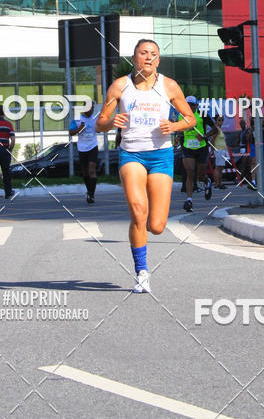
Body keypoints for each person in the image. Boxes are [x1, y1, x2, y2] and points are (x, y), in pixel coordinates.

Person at [95, 38, 195, 294]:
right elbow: (100, 123)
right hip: (132, 155)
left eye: (153, 54)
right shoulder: (121, 86)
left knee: (157, 226)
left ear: (158, 60)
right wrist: (111, 122)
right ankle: (141, 272)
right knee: (138, 212)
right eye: (143, 53)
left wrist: (174, 126)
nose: (148, 57)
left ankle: (147, 230)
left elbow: (190, 119)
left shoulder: (169, 86)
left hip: (161, 156)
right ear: (135, 58)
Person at [180, 96, 217, 212]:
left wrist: (205, 136)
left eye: (192, 104)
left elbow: (216, 129)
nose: (189, 107)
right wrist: (178, 135)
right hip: (187, 147)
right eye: (187, 104)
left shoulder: (202, 114)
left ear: (196, 105)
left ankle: (207, 182)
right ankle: (189, 200)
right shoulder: (182, 115)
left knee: (200, 175)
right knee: (190, 172)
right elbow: (179, 128)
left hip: (201, 147)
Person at [69, 100, 100, 203]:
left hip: (93, 146)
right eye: (89, 108)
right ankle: (89, 191)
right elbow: (70, 132)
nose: (91, 110)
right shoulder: (77, 119)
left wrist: (101, 127)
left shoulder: (95, 118)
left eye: (92, 108)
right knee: (85, 172)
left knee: (92, 169)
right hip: (82, 148)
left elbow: (101, 129)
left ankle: (91, 195)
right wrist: (79, 129)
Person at [211, 117, 228, 189]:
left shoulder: (219, 129)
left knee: (221, 167)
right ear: (215, 121)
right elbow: (212, 140)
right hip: (218, 150)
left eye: (222, 120)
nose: (221, 122)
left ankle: (219, 183)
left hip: (222, 150)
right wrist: (212, 150)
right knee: (218, 167)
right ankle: (217, 184)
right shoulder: (216, 130)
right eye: (219, 120)